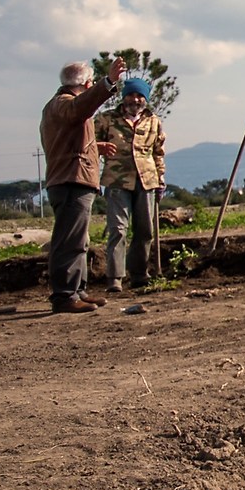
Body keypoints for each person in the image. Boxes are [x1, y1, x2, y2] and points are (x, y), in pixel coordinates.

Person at [41, 58, 124, 314]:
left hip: (71, 179)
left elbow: (64, 140)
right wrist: (108, 83)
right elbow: (80, 109)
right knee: (70, 240)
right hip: (71, 181)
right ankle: (65, 295)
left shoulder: (57, 107)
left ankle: (77, 290)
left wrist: (93, 147)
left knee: (78, 239)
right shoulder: (64, 103)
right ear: (87, 84)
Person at [96, 77, 167, 292]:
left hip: (146, 180)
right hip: (117, 181)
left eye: (139, 96)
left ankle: (139, 274)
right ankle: (115, 278)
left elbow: (158, 152)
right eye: (131, 95)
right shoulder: (106, 119)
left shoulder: (153, 121)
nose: (134, 99)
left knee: (144, 230)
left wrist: (161, 179)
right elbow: (89, 145)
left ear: (145, 99)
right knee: (118, 229)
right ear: (123, 96)